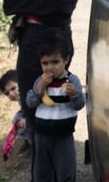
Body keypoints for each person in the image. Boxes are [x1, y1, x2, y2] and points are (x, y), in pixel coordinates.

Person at [1, 0, 84, 177]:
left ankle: (42, 171)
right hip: (63, 40)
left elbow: (10, 2)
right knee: (61, 101)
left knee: (34, 106)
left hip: (36, 41)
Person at [24, 37, 86, 182]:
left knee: (66, 172)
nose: (50, 67)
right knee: (42, 173)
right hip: (41, 136)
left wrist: (75, 95)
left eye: (55, 62)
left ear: (66, 60)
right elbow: (30, 103)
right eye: (45, 63)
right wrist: (38, 90)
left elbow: (79, 105)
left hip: (63, 136)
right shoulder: (40, 82)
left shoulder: (72, 81)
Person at [0, 69, 29, 161]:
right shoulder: (21, 99)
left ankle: (35, 145)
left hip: (39, 121)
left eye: (13, 88)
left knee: (23, 124)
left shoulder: (30, 95)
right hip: (30, 117)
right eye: (7, 93)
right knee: (17, 119)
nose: (11, 94)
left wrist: (27, 121)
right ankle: (28, 141)